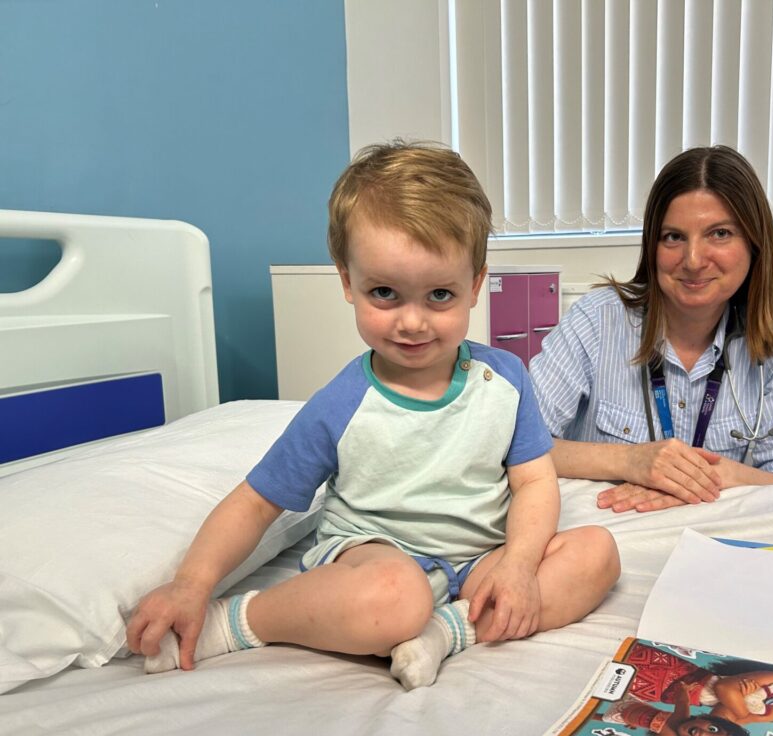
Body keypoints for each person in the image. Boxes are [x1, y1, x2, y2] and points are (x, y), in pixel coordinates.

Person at [126, 140, 620, 690]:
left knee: (596, 554)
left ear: (475, 285)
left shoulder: (504, 379)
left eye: (439, 295)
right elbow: (257, 502)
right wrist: (193, 585)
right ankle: (240, 621)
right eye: (385, 293)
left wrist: (520, 565)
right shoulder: (342, 404)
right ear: (348, 282)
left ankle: (448, 632)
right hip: (377, 555)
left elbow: (534, 483)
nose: (412, 322)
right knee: (395, 597)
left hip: (481, 558)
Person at [530, 145, 773, 513]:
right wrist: (630, 462)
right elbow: (515, 445)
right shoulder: (596, 322)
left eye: (719, 234)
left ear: (755, 244)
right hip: (608, 535)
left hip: (714, 538)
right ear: (652, 246)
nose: (693, 261)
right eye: (673, 237)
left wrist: (720, 475)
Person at [619, 642, 773, 732]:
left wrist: (735, 707)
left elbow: (720, 720)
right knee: (618, 657)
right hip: (675, 670)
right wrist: (738, 706)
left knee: (613, 679)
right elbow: (726, 690)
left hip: (666, 694)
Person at [595, 695, 751, 736]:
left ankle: (588, 713)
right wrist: (684, 689)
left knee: (604, 718)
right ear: (708, 718)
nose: (701, 734)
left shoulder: (669, 735)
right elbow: (683, 701)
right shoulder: (681, 716)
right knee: (615, 693)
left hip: (625, 718)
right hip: (633, 705)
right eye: (712, 729)